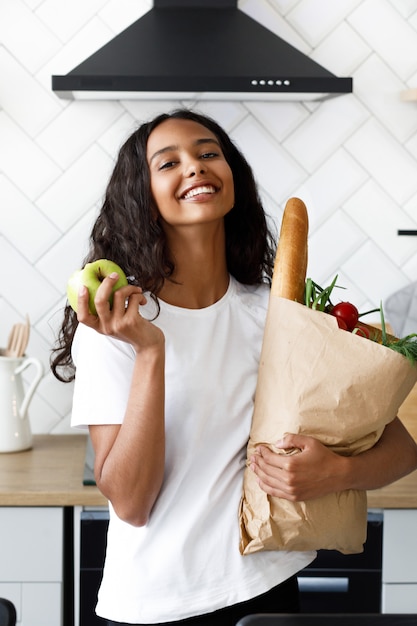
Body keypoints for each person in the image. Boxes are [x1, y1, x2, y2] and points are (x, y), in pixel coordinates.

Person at [51, 109, 417, 626]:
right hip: (158, 605)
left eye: (208, 153)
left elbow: (402, 449)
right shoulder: (118, 324)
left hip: (269, 588)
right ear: (142, 195)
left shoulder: (277, 311)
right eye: (169, 162)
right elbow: (132, 504)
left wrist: (338, 472)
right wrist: (150, 353)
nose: (195, 168)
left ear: (233, 177)